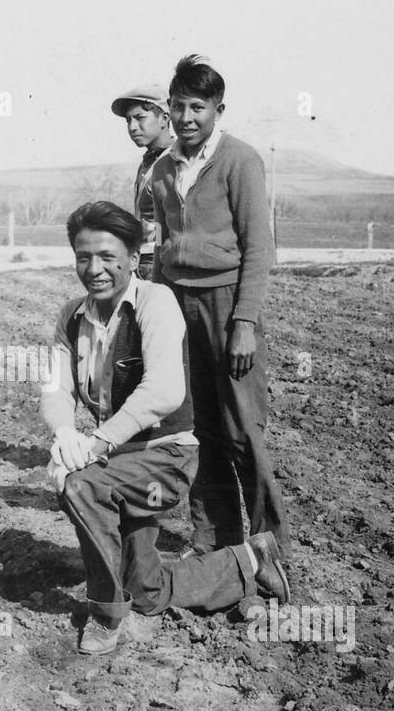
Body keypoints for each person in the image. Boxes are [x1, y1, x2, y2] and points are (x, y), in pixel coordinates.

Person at [41, 201, 289, 655]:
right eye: (82, 257)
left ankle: (105, 612)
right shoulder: (72, 316)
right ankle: (252, 559)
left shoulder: (156, 303)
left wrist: (94, 444)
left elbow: (163, 392)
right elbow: (56, 388)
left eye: (107, 257)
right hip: (120, 460)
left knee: (80, 487)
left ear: (134, 259)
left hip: (165, 458)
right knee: (149, 590)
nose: (94, 269)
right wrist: (64, 435)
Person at [149, 54, 290, 559]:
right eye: (178, 107)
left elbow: (259, 248)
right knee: (197, 429)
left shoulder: (240, 161)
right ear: (168, 109)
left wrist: (245, 323)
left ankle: (268, 550)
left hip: (227, 305)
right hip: (179, 307)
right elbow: (163, 253)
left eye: (198, 108)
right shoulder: (163, 170)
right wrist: (156, 317)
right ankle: (215, 540)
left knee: (243, 432)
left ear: (217, 109)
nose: (187, 118)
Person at [110, 84, 174, 279]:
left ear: (164, 118)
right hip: (143, 259)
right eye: (128, 120)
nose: (132, 127)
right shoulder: (147, 162)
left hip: (161, 262)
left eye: (140, 118)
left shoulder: (175, 162)